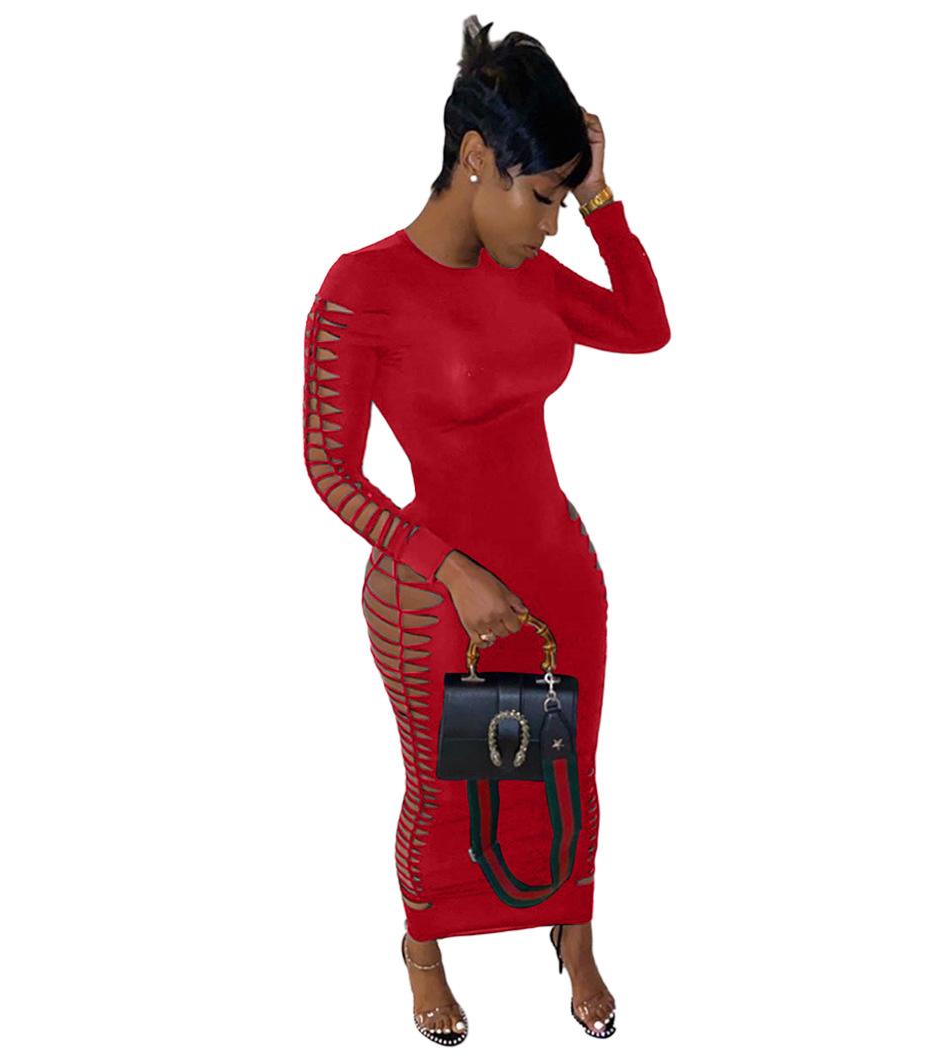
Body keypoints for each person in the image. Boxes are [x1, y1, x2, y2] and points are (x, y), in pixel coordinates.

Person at [303, 15, 670, 1045]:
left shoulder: (530, 272)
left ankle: (573, 934)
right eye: (542, 196)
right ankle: (424, 947)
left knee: (568, 768)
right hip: (436, 592)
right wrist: (447, 568)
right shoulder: (362, 289)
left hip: (559, 568)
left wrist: (601, 196)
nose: (551, 225)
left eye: (561, 199)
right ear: (476, 158)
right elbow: (331, 469)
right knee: (453, 784)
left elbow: (646, 328)